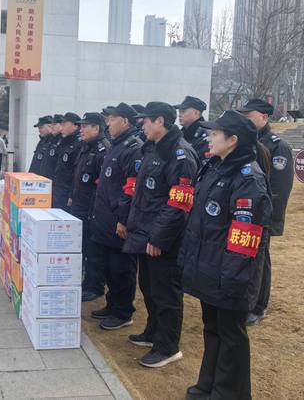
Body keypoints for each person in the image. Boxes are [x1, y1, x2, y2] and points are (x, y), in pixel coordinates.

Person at [179, 110, 272, 400]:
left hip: (230, 273)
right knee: (212, 328)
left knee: (231, 335)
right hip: (210, 268)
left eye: (215, 133)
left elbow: (245, 238)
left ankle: (229, 393)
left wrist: (231, 278)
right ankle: (209, 384)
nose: (209, 137)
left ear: (233, 140)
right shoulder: (215, 167)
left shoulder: (248, 179)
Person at [123, 102, 198, 368]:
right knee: (149, 286)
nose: (142, 126)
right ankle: (153, 332)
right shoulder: (153, 148)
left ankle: (167, 347)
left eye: (146, 121)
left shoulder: (181, 155)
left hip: (164, 239)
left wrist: (158, 238)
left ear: (160, 121)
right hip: (145, 232)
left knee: (166, 293)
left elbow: (178, 205)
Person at [238, 98, 294, 326]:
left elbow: (279, 187)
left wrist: (269, 218)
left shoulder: (277, 146)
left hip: (263, 214)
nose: (245, 119)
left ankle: (258, 306)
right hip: (245, 212)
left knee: (261, 259)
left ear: (264, 117)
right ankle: (246, 300)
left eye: (249, 115)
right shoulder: (246, 141)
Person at [89, 103, 143, 329]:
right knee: (110, 267)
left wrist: (123, 219)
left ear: (125, 121)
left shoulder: (133, 148)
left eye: (112, 119)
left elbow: (131, 189)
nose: (108, 123)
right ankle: (112, 305)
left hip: (119, 221)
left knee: (122, 269)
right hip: (106, 219)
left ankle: (123, 312)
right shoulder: (117, 145)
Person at [70, 112, 110, 302]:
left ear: (96, 128)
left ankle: (95, 286)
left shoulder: (103, 150)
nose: (81, 129)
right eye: (81, 125)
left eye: (85, 126)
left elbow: (102, 186)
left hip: (91, 209)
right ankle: (88, 282)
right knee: (84, 247)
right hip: (80, 205)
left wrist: (93, 210)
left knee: (93, 250)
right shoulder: (86, 147)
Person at [51, 112, 81, 211]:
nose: (61, 129)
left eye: (64, 125)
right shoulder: (64, 142)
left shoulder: (79, 144)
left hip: (67, 193)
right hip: (58, 189)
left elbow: (76, 172)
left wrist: (71, 194)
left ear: (75, 126)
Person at [174, 96, 211, 167]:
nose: (179, 115)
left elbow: (199, 165)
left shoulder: (205, 136)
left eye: (183, 111)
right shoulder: (181, 134)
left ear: (196, 113)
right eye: (179, 112)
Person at [40, 114, 64, 181]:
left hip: (54, 181)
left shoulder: (62, 141)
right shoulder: (51, 140)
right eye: (51, 124)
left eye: (55, 124)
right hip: (45, 179)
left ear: (62, 125)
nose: (52, 127)